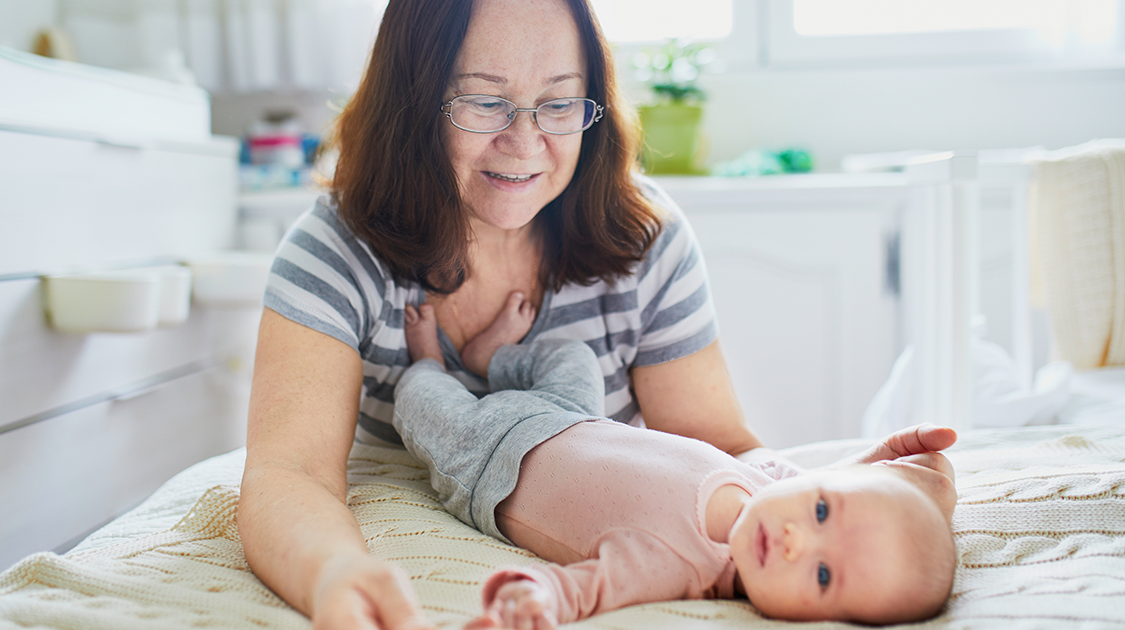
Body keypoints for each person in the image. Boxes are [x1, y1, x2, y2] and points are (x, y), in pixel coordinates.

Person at [237, 1, 956, 628]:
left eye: (558, 104)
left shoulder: (646, 239)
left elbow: (719, 452)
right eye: (484, 102)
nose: (525, 144)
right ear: (414, 103)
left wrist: (847, 498)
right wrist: (334, 575)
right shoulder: (335, 251)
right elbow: (287, 473)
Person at [395, 300, 958, 628]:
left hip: (487, 457)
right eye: (819, 512)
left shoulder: (673, 566)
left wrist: (533, 602)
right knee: (574, 358)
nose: (794, 541)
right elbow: (832, 480)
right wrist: (900, 473)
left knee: (420, 404)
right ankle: (491, 358)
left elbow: (583, 589)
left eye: (823, 574)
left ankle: (432, 364)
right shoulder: (766, 486)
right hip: (570, 415)